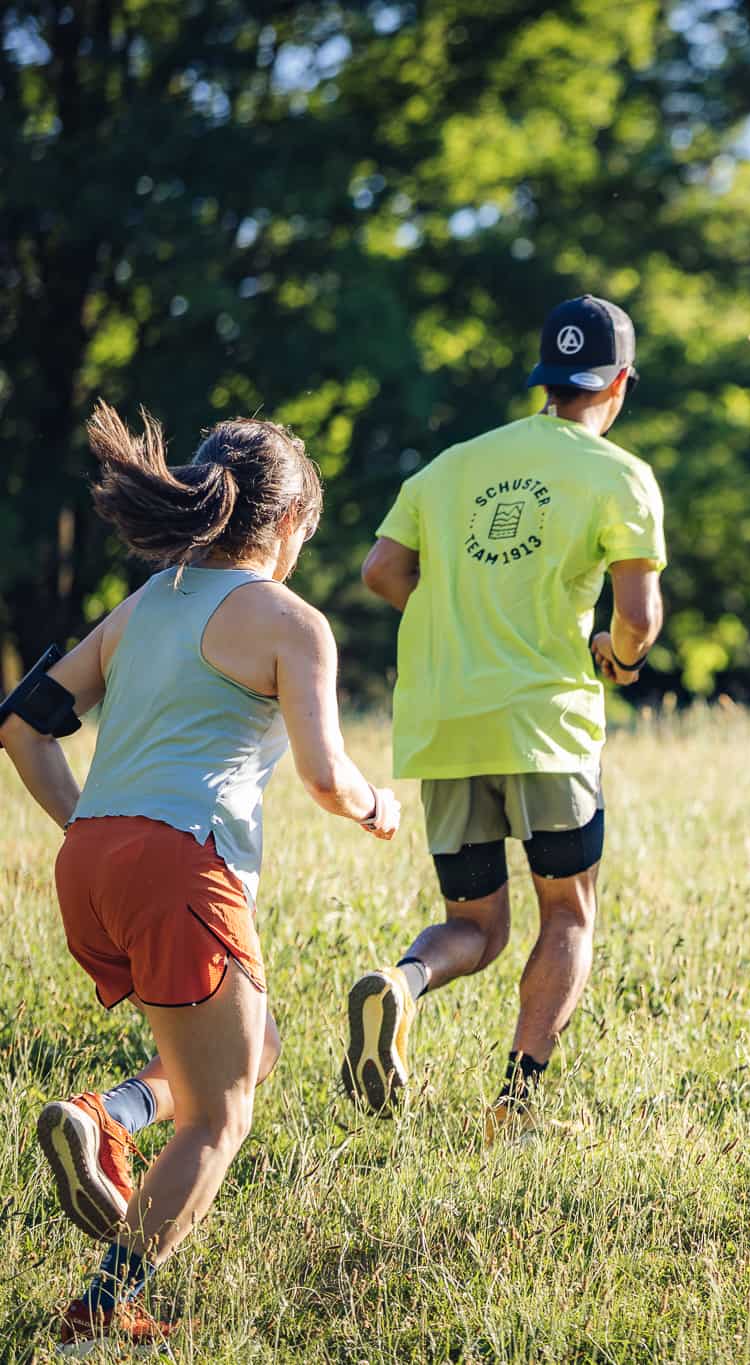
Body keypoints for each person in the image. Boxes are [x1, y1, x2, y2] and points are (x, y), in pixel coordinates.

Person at [2, 402, 400, 1348]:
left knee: (248, 1045)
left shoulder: (146, 604)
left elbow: (21, 723)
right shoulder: (290, 621)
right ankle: (102, 1304)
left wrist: (94, 823)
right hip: (180, 869)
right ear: (293, 522)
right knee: (223, 1114)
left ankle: (119, 1111)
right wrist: (378, 804)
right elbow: (322, 774)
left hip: (89, 864)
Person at [349, 294, 665, 1141]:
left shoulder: (453, 463)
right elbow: (637, 614)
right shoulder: (619, 474)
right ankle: (514, 1108)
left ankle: (402, 983)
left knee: (472, 925)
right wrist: (620, 659)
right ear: (620, 382)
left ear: (546, 379)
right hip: (545, 723)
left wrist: (452, 616)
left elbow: (382, 568)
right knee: (567, 912)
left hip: (443, 721)